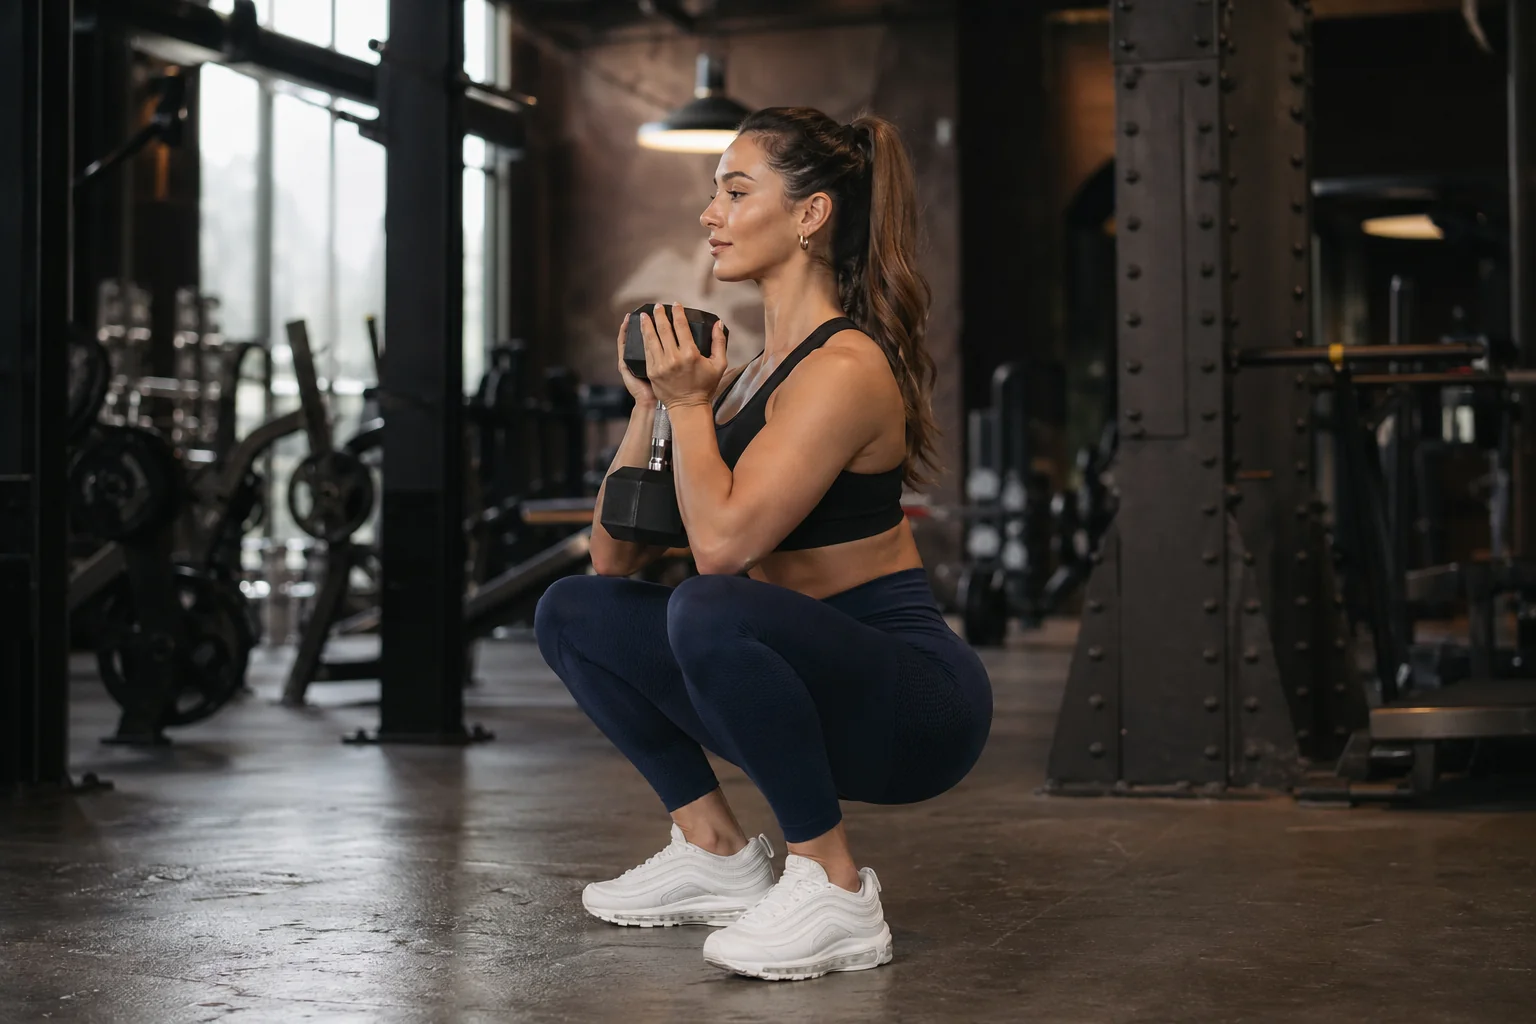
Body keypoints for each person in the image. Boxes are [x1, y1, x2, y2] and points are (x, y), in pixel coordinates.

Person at [533, 106, 993, 982]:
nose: (711, 213)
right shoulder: (743, 375)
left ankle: (836, 884)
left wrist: (693, 407)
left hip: (912, 705)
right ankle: (713, 849)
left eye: (736, 191)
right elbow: (613, 563)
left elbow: (722, 552)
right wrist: (654, 404)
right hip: (785, 682)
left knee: (709, 604)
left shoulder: (846, 366)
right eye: (713, 193)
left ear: (811, 214)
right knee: (574, 610)